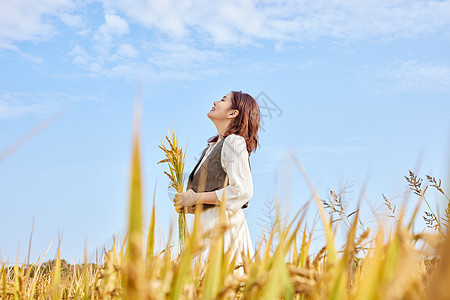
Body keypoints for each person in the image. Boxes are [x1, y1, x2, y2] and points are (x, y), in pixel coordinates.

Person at [173, 91, 261, 276]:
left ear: (232, 113)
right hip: (205, 235)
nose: (215, 101)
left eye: (223, 100)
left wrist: (195, 197)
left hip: (224, 236)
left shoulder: (233, 142)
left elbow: (243, 191)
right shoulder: (211, 148)